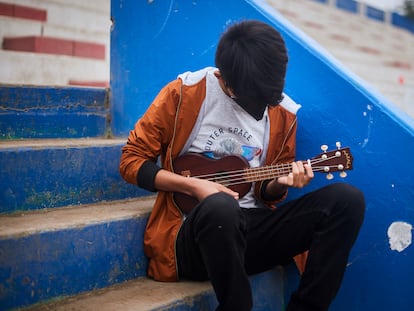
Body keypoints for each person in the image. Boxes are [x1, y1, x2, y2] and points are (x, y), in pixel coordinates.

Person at [119, 20, 365, 311]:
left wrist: (280, 183)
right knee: (221, 206)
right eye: (252, 101)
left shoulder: (283, 113)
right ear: (226, 80)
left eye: (267, 101)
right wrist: (193, 186)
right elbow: (131, 160)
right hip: (193, 237)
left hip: (251, 234)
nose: (261, 109)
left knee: (347, 201)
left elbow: (266, 191)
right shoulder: (185, 93)